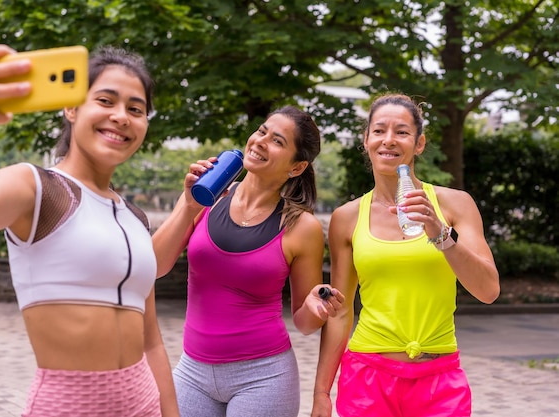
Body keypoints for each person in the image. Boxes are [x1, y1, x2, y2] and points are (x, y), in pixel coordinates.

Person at [0, 44, 179, 416]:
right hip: (68, 405)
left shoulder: (135, 218)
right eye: (106, 100)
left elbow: (152, 343)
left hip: (144, 401)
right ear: (71, 107)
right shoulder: (39, 188)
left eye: (136, 108)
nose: (121, 116)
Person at [311, 93, 500, 417]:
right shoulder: (346, 218)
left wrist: (441, 234)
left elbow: (488, 291)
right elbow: (341, 313)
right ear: (366, 139)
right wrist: (321, 393)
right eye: (380, 130)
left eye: (401, 132)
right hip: (367, 377)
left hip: (440, 380)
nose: (389, 140)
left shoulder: (455, 205)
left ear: (419, 143)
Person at [152, 105, 345, 417]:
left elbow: (304, 323)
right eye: (261, 131)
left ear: (296, 167)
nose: (260, 141)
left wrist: (314, 307)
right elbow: (155, 266)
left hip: (263, 378)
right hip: (192, 372)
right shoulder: (207, 194)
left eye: (277, 141)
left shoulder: (301, 227)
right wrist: (188, 205)